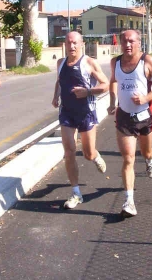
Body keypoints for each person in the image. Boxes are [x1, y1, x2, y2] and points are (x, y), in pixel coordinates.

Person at [107, 30, 152, 218]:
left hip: (144, 116)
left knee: (146, 152)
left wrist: (145, 98)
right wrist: (112, 102)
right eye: (124, 41)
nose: (127, 45)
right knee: (128, 158)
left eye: (131, 41)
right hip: (124, 118)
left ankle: (150, 161)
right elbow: (113, 81)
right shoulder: (115, 62)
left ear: (138, 43)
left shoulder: (147, 61)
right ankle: (129, 201)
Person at [52, 31, 109, 209]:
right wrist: (55, 97)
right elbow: (59, 81)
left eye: (75, 43)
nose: (72, 46)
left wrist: (88, 92)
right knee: (69, 152)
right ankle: (76, 193)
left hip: (86, 112)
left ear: (81, 44)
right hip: (67, 113)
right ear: (65, 45)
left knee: (88, 153)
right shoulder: (60, 63)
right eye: (69, 43)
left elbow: (105, 84)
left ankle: (96, 156)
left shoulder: (89, 63)